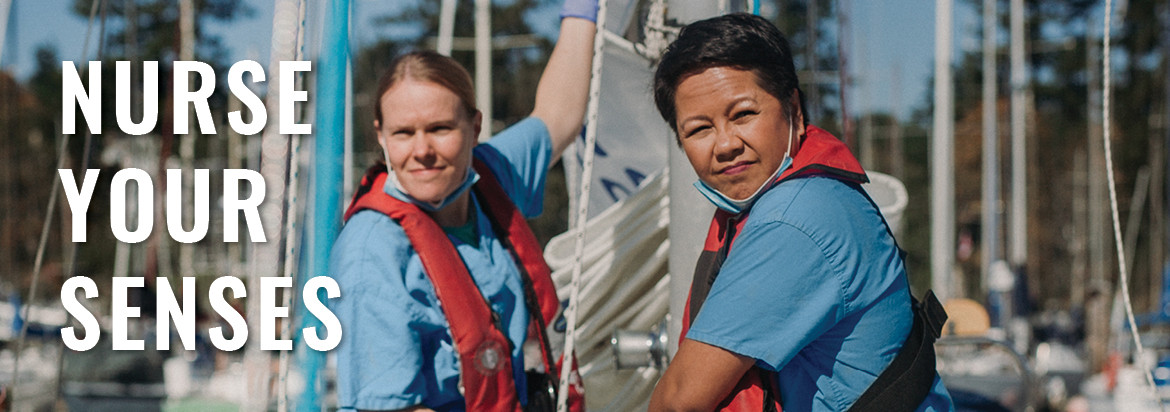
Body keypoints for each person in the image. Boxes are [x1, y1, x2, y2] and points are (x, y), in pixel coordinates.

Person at [646, 13, 954, 412]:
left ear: (793, 108)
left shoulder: (794, 218)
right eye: (699, 129)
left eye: (742, 115)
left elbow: (679, 401)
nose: (724, 144)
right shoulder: (807, 199)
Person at [328, 1, 598, 410]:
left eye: (440, 129)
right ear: (381, 137)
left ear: (474, 127)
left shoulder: (490, 176)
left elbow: (558, 117)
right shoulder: (372, 251)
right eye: (404, 133)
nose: (422, 150)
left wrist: (583, 11)